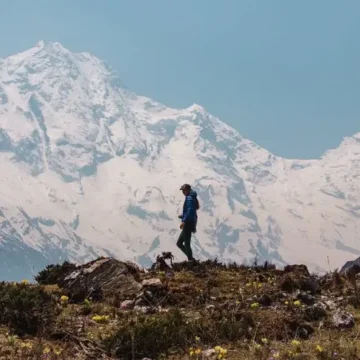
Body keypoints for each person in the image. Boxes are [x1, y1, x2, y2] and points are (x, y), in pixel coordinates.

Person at [177, 184, 199, 261]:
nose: (182, 192)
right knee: (179, 243)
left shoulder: (189, 198)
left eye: (183, 190)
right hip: (189, 222)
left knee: (186, 243)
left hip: (188, 224)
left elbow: (190, 210)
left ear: (187, 190)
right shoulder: (191, 197)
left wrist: (184, 221)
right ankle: (191, 259)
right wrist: (182, 216)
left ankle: (191, 260)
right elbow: (191, 211)